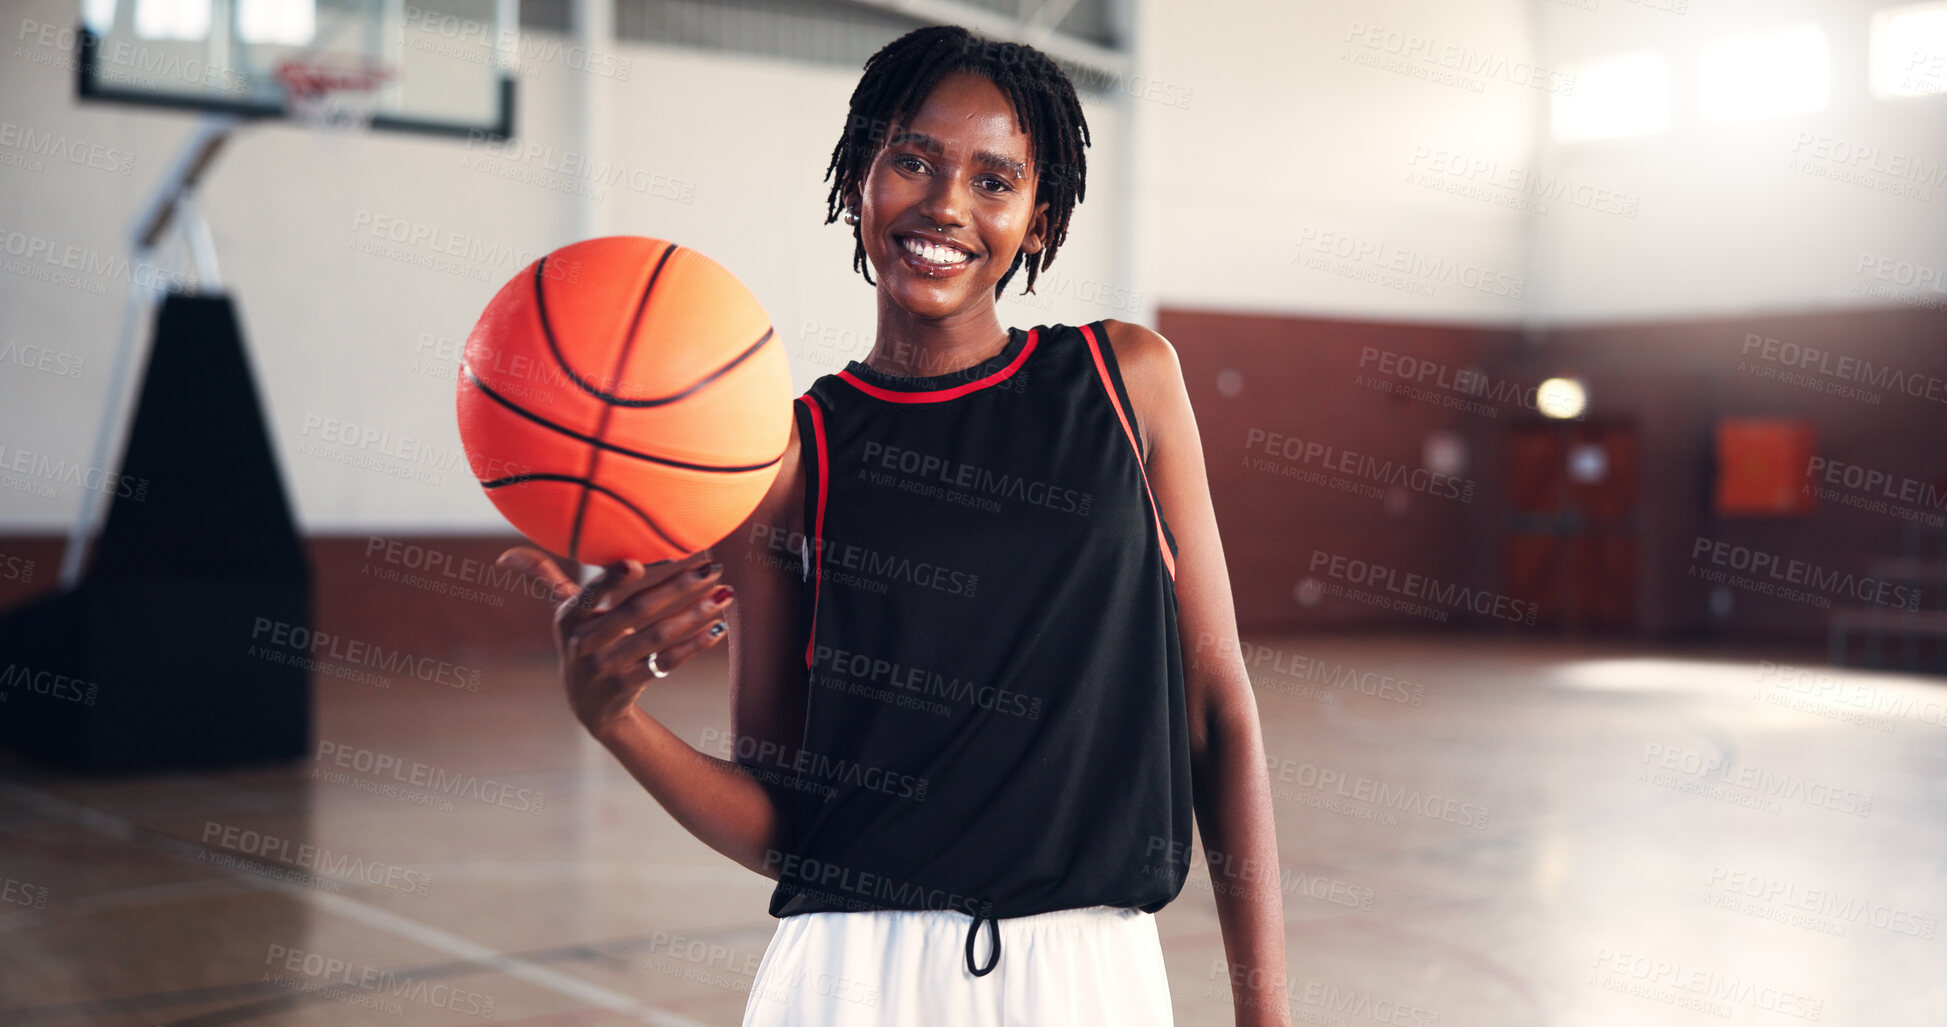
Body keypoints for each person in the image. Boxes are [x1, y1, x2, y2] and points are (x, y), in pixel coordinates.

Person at [499, 24, 1291, 1027]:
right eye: (912, 160)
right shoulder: (786, 458)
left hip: (1090, 978)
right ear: (857, 182)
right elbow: (787, 823)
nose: (946, 204)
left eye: (994, 180)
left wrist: (1266, 1013)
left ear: (1039, 221)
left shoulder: (1125, 380)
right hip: (854, 979)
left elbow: (1218, 712)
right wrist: (613, 720)